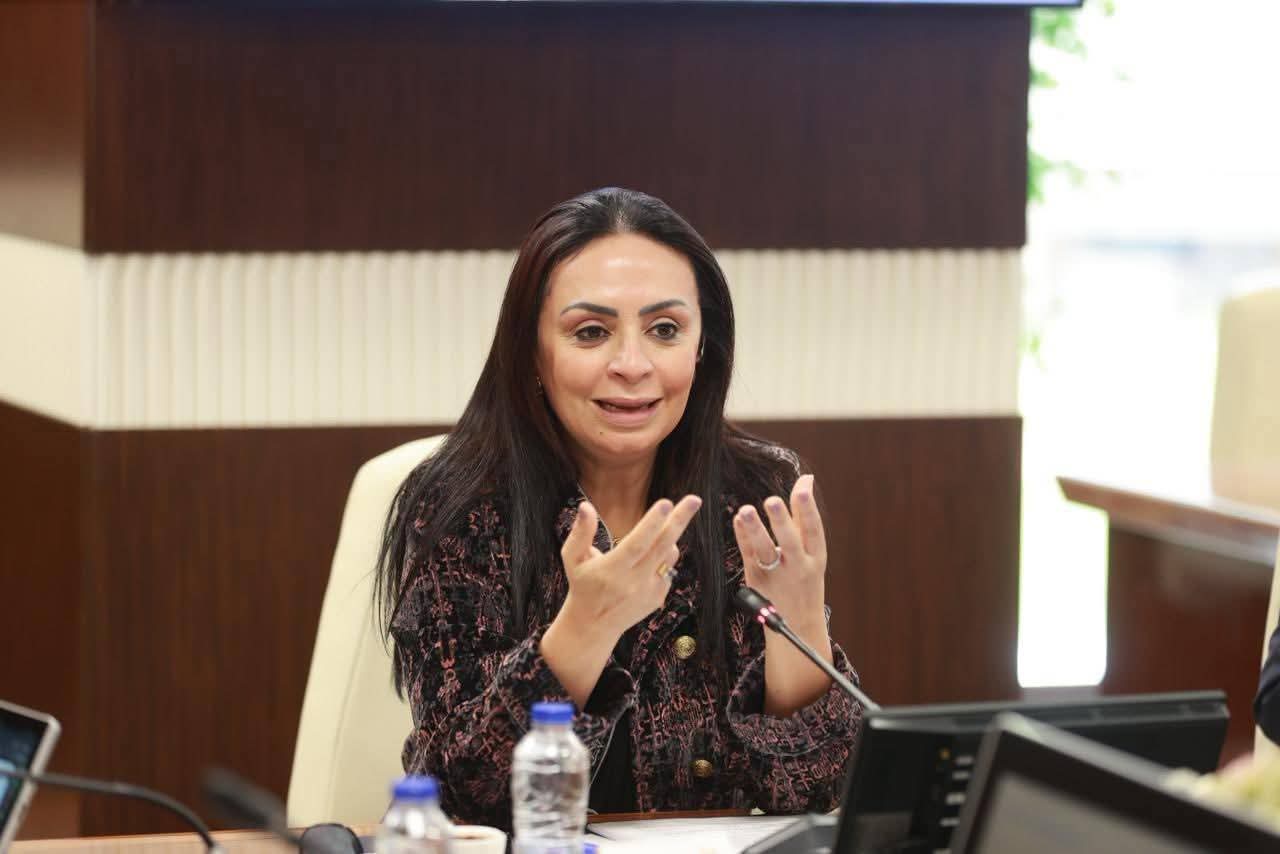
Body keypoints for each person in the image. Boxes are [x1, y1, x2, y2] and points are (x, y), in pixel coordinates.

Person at [376, 187, 863, 827]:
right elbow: (466, 795)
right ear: (532, 353)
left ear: (702, 347)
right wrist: (586, 626)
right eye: (591, 332)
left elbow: (817, 792)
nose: (632, 365)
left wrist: (797, 626)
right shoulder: (460, 509)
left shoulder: (752, 498)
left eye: (665, 330)